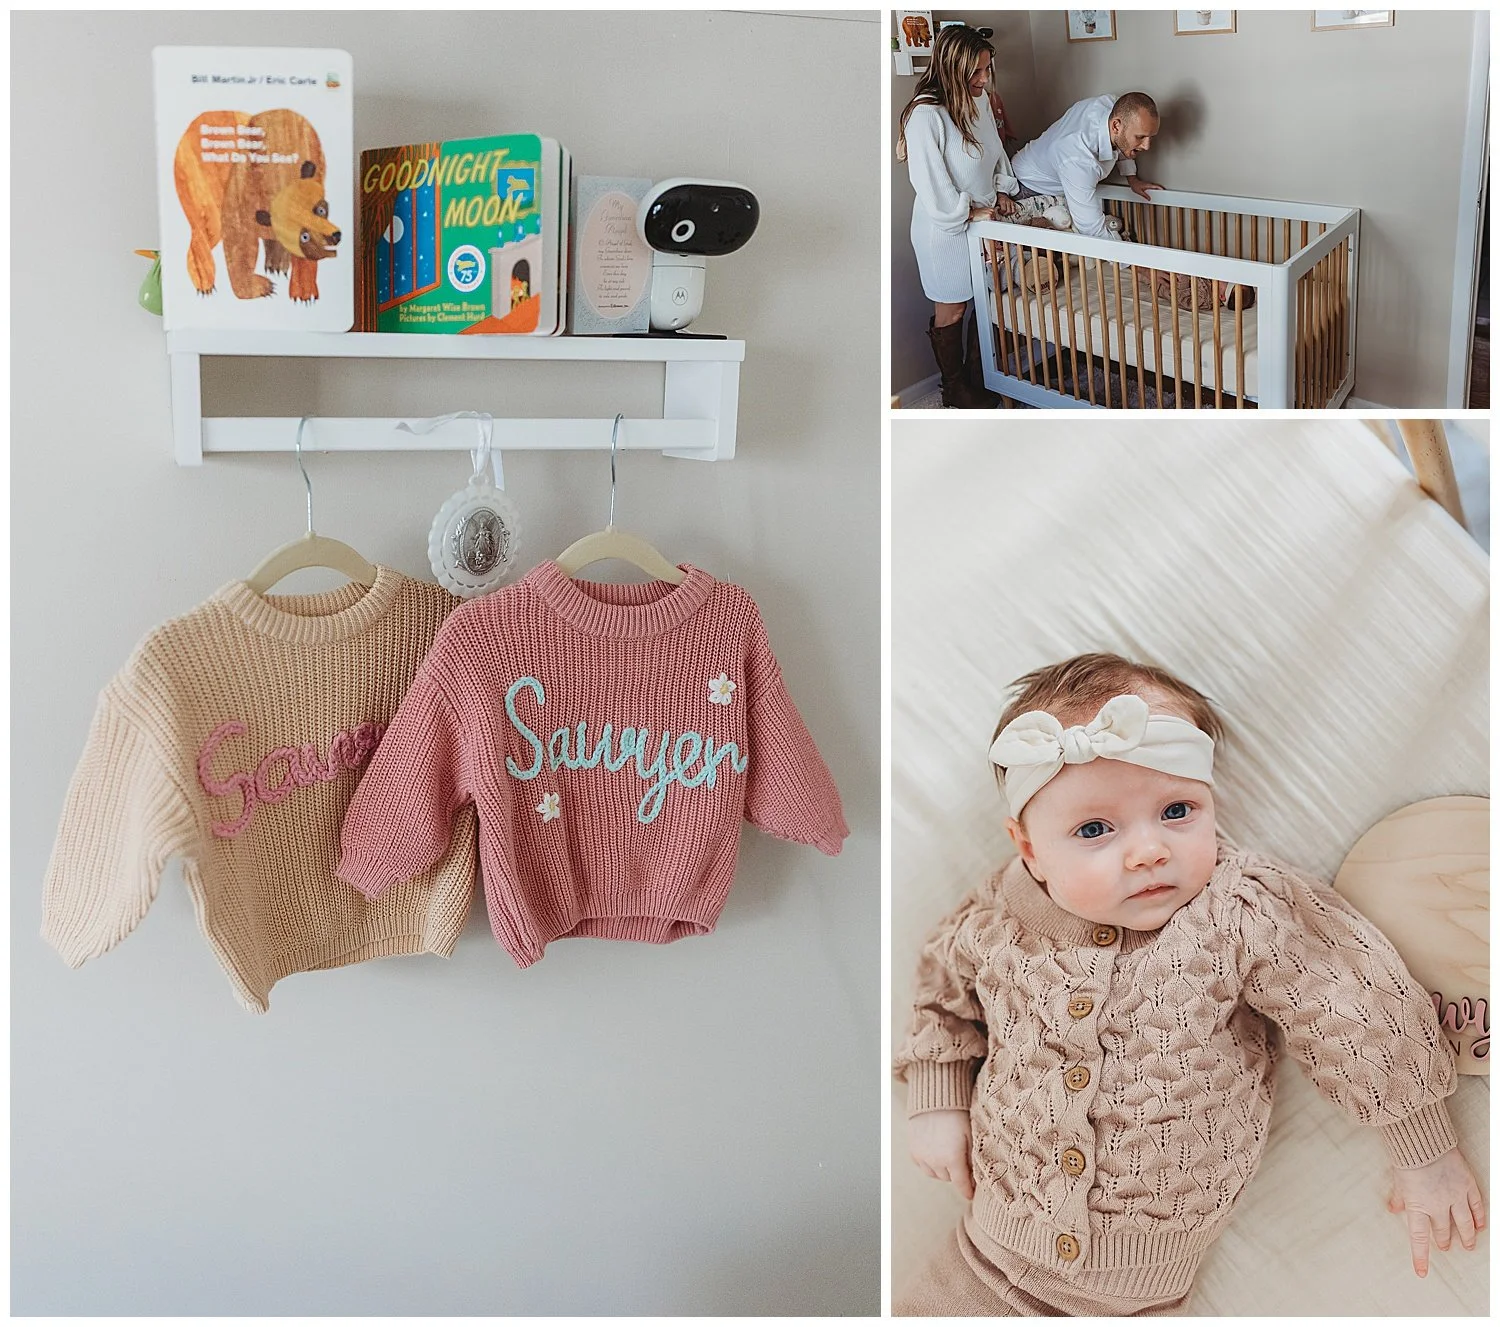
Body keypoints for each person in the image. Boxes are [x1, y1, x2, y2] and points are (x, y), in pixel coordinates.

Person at [893, 652, 1484, 1315]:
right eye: (1094, 829)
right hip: (984, 1258)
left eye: (1177, 810)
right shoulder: (1002, 916)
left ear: (1212, 803)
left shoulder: (1236, 907)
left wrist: (1422, 1146)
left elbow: (1347, 999)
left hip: (1144, 1294)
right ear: (1029, 847)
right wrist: (936, 1094)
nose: (1148, 849)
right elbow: (941, 985)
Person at [896, 25, 1012, 409]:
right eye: (976, 72)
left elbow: (990, 150)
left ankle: (980, 376)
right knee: (954, 305)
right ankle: (954, 387)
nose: (984, 79)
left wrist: (1000, 188)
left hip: (980, 222)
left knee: (986, 298)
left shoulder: (976, 100)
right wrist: (966, 211)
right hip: (942, 228)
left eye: (986, 69)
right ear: (951, 69)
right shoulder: (925, 115)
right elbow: (931, 182)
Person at [1012, 92, 1162, 243]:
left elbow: (1123, 142)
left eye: (1150, 137)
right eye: (1140, 137)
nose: (1147, 146)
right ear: (1116, 126)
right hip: (1029, 187)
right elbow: (1091, 227)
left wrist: (1132, 179)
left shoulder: (1113, 106)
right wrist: (1132, 263)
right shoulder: (1078, 158)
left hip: (1057, 176)